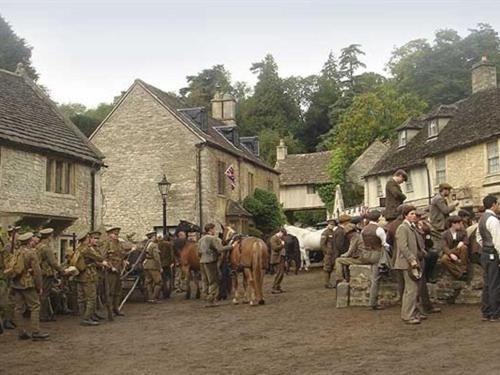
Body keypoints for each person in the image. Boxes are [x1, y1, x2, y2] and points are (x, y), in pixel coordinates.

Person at [4, 232, 49, 340]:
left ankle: (21, 332)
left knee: (18, 308)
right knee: (35, 306)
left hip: (16, 283)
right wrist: (39, 287)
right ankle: (36, 332)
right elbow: (37, 272)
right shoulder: (31, 253)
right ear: (29, 241)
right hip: (28, 284)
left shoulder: (17, 252)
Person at [394, 205, 423, 325]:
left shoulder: (411, 227)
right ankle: (408, 315)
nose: (414, 215)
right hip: (407, 263)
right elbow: (403, 246)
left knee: (411, 289)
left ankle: (413, 312)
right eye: (411, 213)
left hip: (412, 261)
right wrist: (412, 259)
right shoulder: (402, 228)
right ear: (405, 215)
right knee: (411, 289)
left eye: (414, 214)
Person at [476, 195, 500, 322]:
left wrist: (485, 247)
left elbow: (478, 237)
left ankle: (486, 311)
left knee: (487, 283)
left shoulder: (481, 219)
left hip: (485, 254)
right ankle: (495, 313)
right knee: (494, 284)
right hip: (493, 254)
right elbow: (498, 241)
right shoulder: (493, 220)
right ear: (493, 205)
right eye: (498, 204)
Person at [73, 231, 104, 326]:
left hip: (79, 275)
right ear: (86, 239)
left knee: (81, 298)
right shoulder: (87, 249)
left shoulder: (78, 248)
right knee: (91, 297)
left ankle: (85, 316)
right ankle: (86, 318)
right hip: (88, 275)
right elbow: (100, 258)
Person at [198, 223, 233, 307]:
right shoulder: (213, 239)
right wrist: (231, 246)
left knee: (205, 280)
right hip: (211, 261)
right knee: (213, 281)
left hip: (202, 261)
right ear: (210, 230)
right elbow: (220, 249)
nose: (215, 231)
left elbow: (198, 252)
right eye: (214, 229)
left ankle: (204, 297)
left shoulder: (201, 239)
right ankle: (211, 300)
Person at [36, 228, 65, 322]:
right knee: (44, 295)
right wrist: (62, 271)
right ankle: (43, 315)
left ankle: (47, 313)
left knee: (43, 294)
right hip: (46, 273)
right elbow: (53, 262)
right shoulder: (46, 248)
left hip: (40, 272)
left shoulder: (38, 246)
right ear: (49, 237)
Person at [101, 226, 127, 319]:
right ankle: (109, 311)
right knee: (110, 291)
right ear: (109, 235)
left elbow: (122, 254)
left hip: (119, 269)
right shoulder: (107, 244)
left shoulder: (119, 243)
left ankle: (116, 309)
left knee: (118, 290)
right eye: (114, 234)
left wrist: (124, 260)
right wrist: (110, 267)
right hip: (110, 271)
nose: (116, 236)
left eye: (117, 234)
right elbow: (103, 257)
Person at [440, 216, 469, 280]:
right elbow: (444, 246)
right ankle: (459, 274)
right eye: (458, 223)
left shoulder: (463, 231)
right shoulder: (445, 234)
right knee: (444, 259)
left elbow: (466, 241)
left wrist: (462, 242)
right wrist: (450, 254)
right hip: (451, 250)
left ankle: (464, 270)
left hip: (460, 250)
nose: (460, 225)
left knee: (464, 247)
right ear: (453, 224)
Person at [143, 231, 163, 303]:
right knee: (159, 282)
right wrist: (160, 267)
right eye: (155, 236)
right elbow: (156, 257)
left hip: (146, 265)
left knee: (148, 282)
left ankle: (149, 297)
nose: (156, 238)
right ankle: (154, 298)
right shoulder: (154, 245)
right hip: (153, 265)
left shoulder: (146, 244)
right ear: (152, 237)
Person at [320, 219, 337, 289]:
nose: (331, 226)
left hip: (333, 253)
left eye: (333, 225)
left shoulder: (333, 232)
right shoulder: (325, 233)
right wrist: (326, 251)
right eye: (330, 224)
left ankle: (328, 282)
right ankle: (326, 283)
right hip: (328, 254)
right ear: (328, 225)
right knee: (327, 268)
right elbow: (322, 244)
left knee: (331, 268)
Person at [270, 228, 287, 294]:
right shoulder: (273, 238)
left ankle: (278, 287)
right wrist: (282, 245)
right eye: (283, 234)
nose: (283, 236)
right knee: (278, 273)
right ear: (280, 232)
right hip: (276, 258)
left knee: (281, 273)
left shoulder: (280, 239)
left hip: (281, 258)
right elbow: (275, 248)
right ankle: (274, 288)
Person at [158, 234, 174, 299]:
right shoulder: (169, 244)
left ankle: (164, 292)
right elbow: (172, 254)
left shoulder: (158, 244)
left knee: (163, 279)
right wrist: (172, 262)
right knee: (169, 278)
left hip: (161, 263)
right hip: (168, 263)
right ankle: (168, 293)